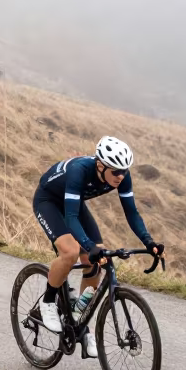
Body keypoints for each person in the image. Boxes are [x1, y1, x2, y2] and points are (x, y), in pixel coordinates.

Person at [32, 136, 165, 358]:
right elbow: (71, 217)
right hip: (49, 201)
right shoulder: (79, 170)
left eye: (124, 171)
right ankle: (47, 303)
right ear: (101, 165)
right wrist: (87, 245)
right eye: (115, 172)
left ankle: (79, 321)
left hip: (73, 203)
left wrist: (149, 242)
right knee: (71, 252)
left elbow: (131, 213)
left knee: (97, 259)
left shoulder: (122, 176)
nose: (120, 176)